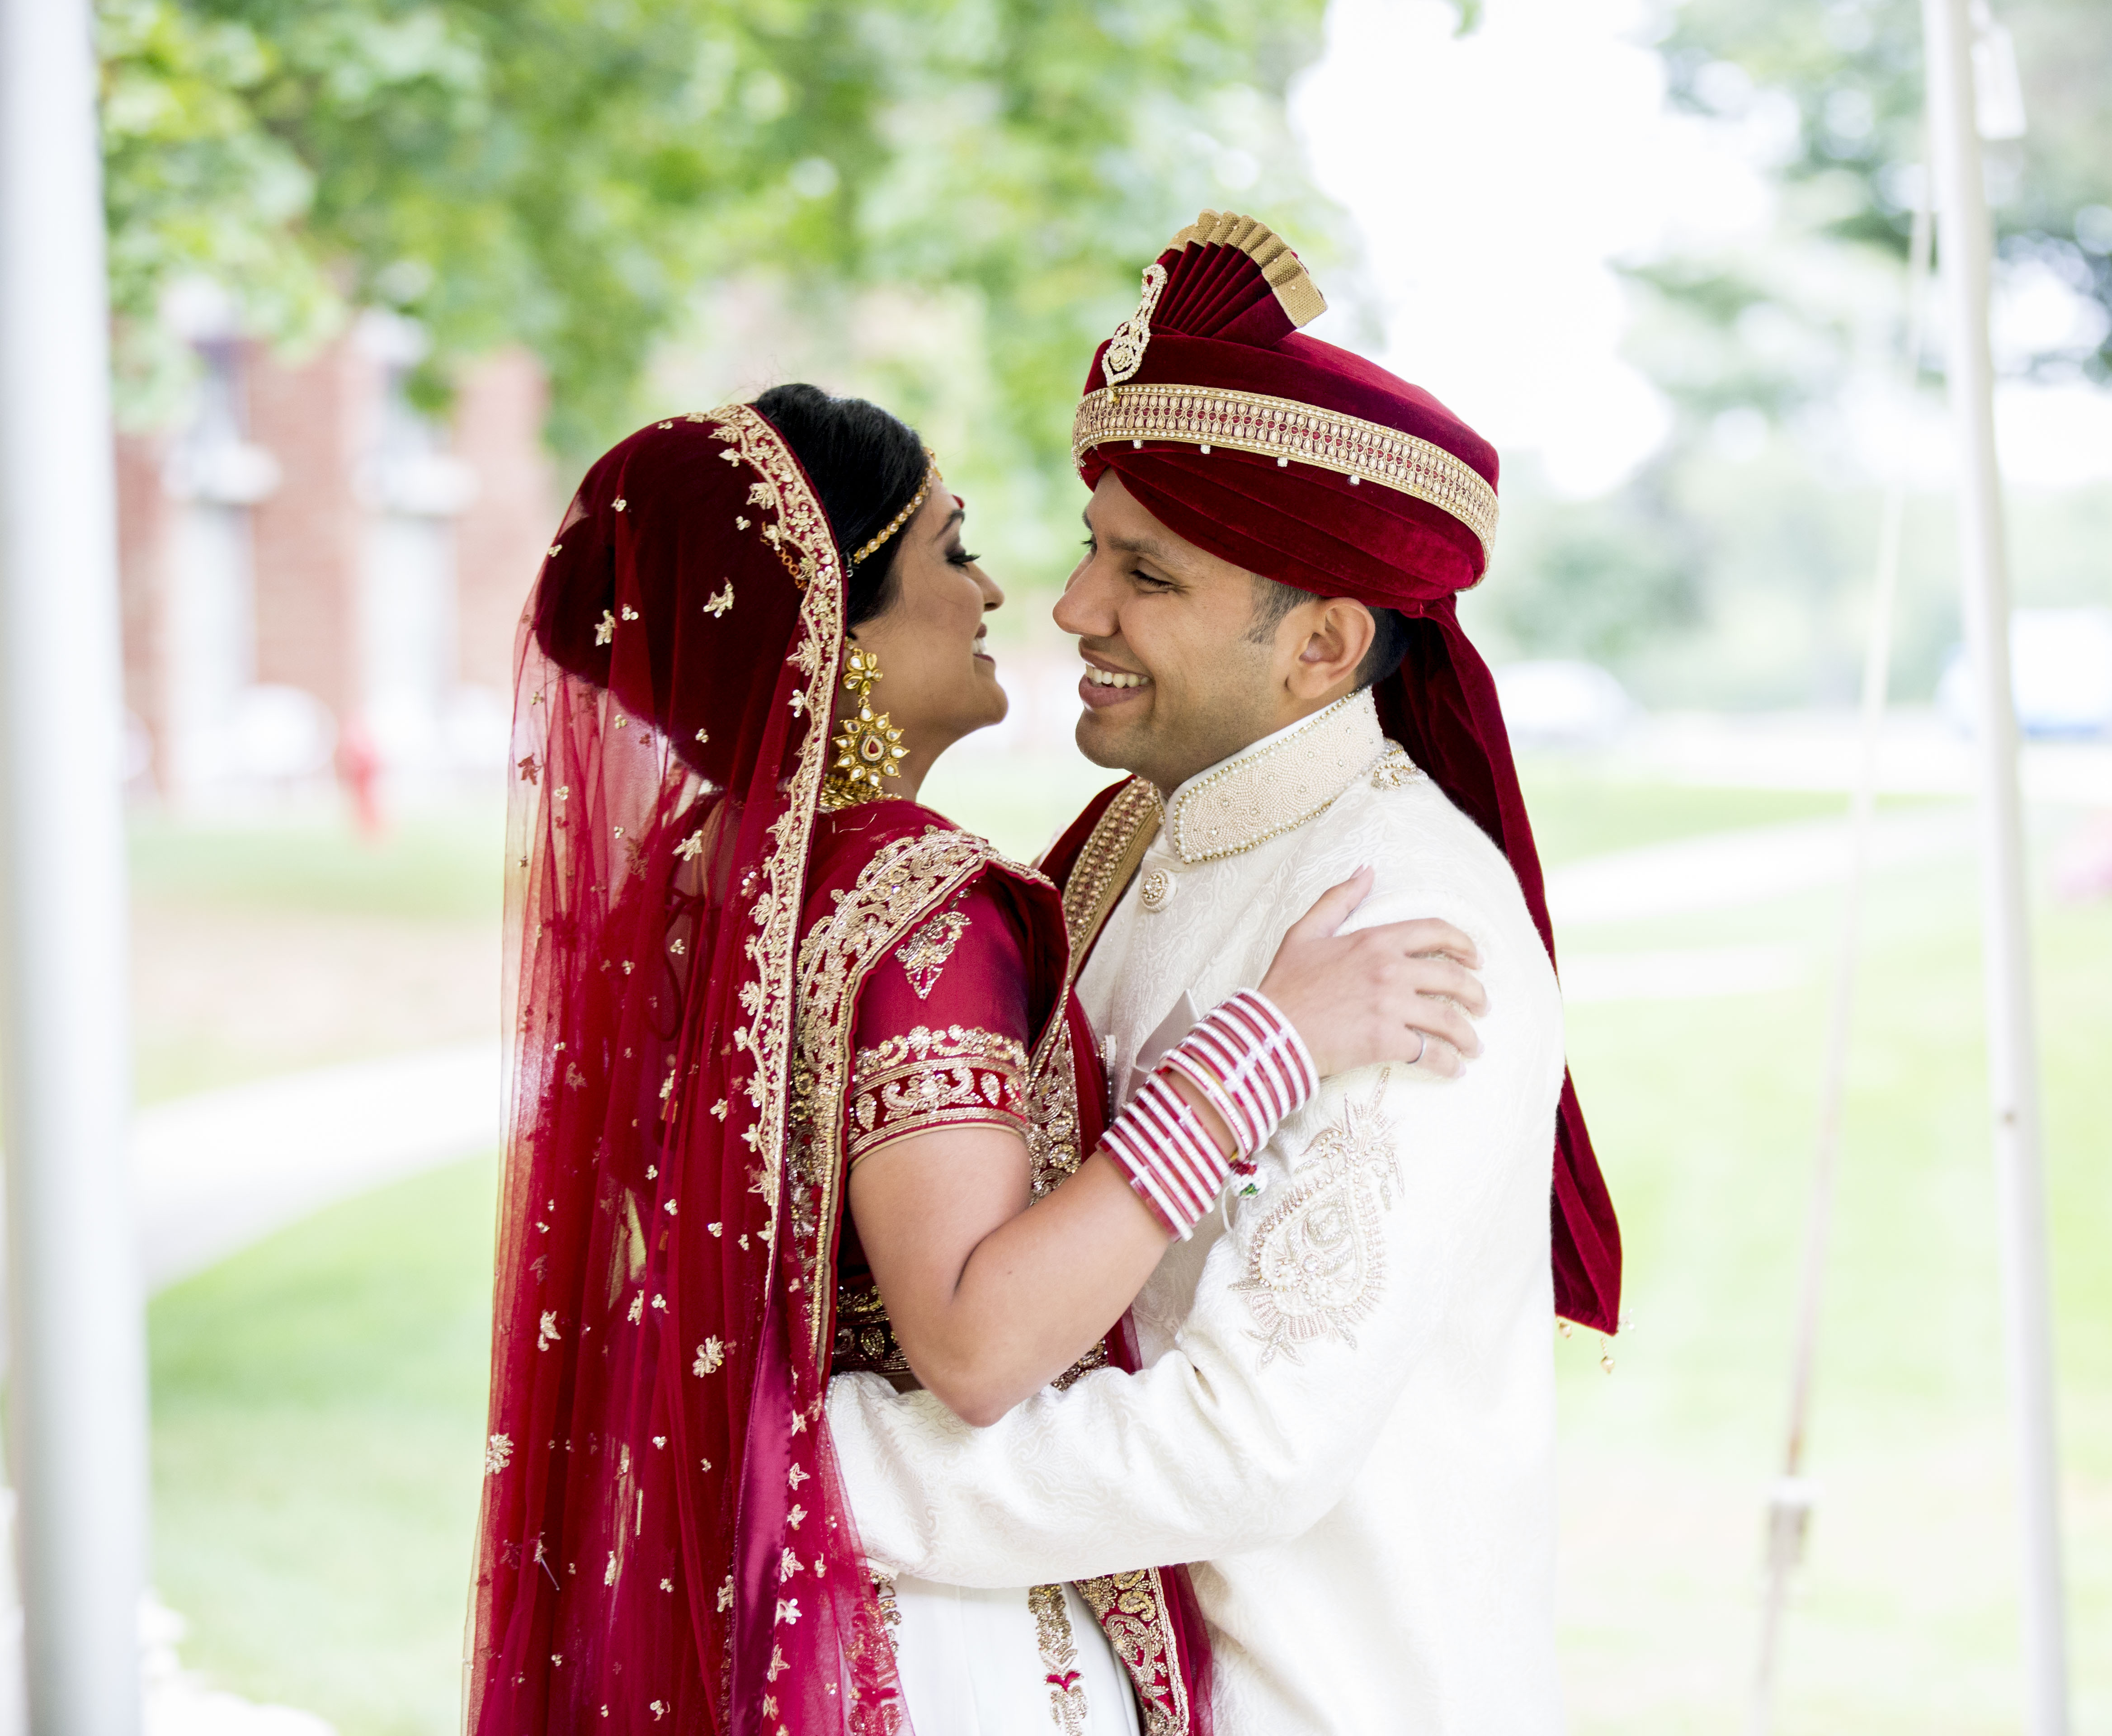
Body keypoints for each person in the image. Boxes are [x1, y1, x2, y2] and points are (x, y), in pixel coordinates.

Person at [467, 382, 1489, 1736]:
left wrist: (731, 1455)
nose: (1021, 595)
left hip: (729, 1612)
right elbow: (978, 1336)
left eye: (1137, 572)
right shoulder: (916, 903)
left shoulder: (682, 892)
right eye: (952, 553)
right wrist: (1263, 1052)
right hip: (923, 1640)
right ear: (834, 635)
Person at [823, 212, 1626, 1733]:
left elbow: (1246, 1444)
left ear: (1321, 645)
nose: (1075, 608)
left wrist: (805, 1464)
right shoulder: (1132, 839)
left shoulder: (1407, 930)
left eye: (1147, 574)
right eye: (1091, 547)